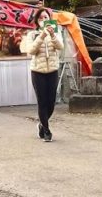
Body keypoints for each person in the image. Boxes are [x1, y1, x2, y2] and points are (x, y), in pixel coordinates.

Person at [22, 8, 63, 142]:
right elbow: (31, 51)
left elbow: (60, 47)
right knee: (42, 101)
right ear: (36, 20)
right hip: (37, 71)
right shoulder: (32, 34)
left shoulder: (56, 32)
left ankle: (41, 123)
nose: (44, 21)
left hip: (52, 70)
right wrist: (42, 36)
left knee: (51, 102)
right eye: (41, 18)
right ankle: (46, 130)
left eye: (46, 18)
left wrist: (52, 35)